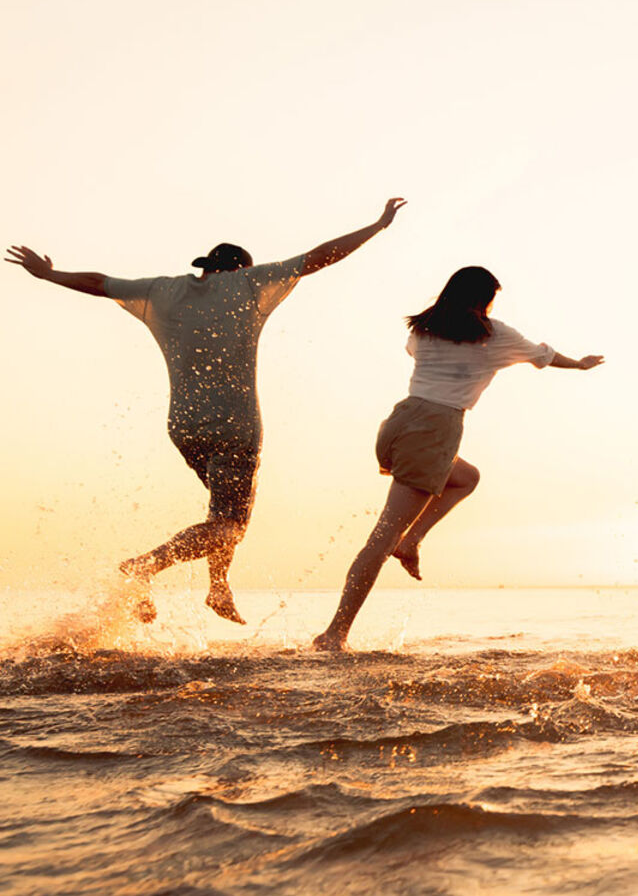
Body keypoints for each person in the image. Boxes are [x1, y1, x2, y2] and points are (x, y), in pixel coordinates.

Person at [6, 198, 406, 624]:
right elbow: (319, 258)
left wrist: (48, 274)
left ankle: (218, 586)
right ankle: (144, 566)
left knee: (222, 512)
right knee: (232, 523)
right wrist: (378, 226)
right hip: (234, 424)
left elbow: (100, 282)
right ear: (239, 269)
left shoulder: (164, 290)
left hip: (183, 425)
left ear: (205, 268)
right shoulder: (250, 283)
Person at [311, 266, 604, 651]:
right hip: (436, 430)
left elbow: (417, 354)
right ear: (484, 300)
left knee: (466, 477)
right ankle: (334, 634)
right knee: (380, 540)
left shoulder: (422, 329)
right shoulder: (494, 335)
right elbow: (542, 356)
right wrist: (579, 365)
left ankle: (411, 541)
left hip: (400, 422)